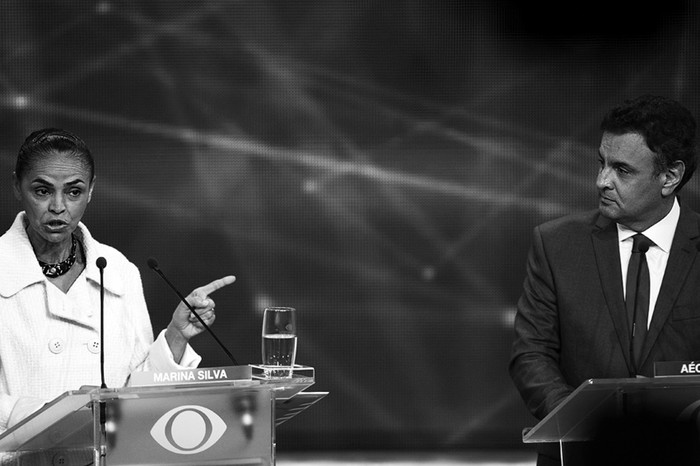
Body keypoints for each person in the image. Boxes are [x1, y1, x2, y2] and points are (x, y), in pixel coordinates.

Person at [0, 128, 235, 433]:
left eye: (74, 192)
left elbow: (138, 393)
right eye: (42, 191)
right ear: (17, 186)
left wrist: (177, 334)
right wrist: (45, 417)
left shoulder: (118, 271)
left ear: (91, 190)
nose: (58, 206)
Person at [509, 95, 700, 465]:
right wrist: (585, 421)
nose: (602, 181)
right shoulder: (556, 245)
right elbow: (531, 354)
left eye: (622, 170)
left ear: (670, 176)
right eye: (602, 164)